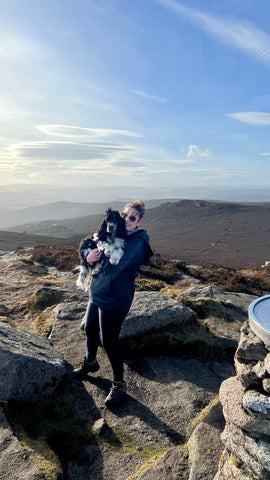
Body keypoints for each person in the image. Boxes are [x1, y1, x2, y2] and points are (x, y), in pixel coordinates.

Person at [73, 199, 152, 405]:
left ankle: (119, 383)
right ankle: (90, 362)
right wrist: (87, 257)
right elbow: (92, 246)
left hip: (117, 297)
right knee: (90, 328)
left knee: (108, 341)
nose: (127, 220)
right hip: (97, 290)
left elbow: (116, 267)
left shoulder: (138, 241)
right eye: (125, 215)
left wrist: (98, 254)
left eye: (132, 218)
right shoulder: (113, 233)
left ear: (139, 222)